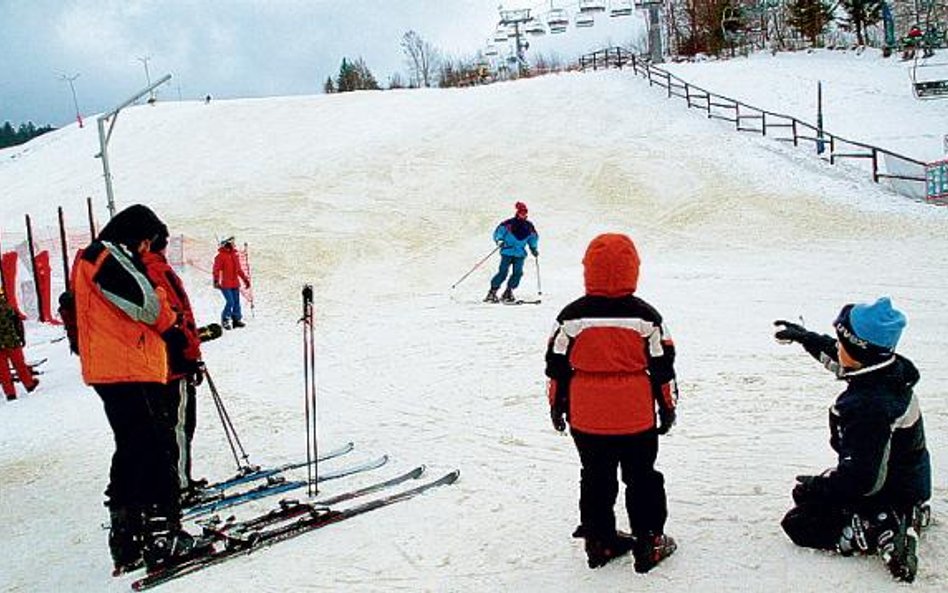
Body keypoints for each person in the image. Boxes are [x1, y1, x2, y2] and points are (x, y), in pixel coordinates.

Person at [71, 204, 196, 574]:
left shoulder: (102, 256)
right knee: (153, 447)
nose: (147, 251)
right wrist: (172, 327)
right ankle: (162, 534)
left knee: (134, 448)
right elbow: (145, 303)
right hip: (126, 368)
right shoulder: (105, 255)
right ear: (138, 237)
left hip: (121, 367)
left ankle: (129, 537)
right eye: (146, 244)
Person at [545, 233, 678, 572]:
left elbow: (555, 365)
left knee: (595, 476)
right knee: (642, 476)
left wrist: (557, 405)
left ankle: (600, 540)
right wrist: (668, 407)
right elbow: (663, 367)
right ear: (633, 268)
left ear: (588, 268)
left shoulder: (571, 317)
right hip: (635, 417)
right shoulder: (647, 317)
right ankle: (649, 540)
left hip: (587, 416)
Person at [774, 297, 931, 583]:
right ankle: (905, 511)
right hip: (907, 478)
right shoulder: (886, 370)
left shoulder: (869, 407)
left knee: (800, 523)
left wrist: (820, 487)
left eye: (842, 341)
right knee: (807, 494)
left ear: (860, 350)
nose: (837, 347)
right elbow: (840, 358)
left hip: (887, 486)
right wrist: (806, 338)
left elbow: (863, 480)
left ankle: (882, 528)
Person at [141, 233, 207, 500]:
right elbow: (177, 318)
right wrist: (191, 355)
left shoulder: (142, 269)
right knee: (179, 424)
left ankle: (173, 482)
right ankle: (178, 486)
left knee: (168, 424)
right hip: (173, 362)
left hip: (159, 361)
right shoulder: (157, 270)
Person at [484, 201, 538, 304]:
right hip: (507, 252)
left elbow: (533, 237)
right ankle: (492, 292)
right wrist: (499, 241)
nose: (523, 214)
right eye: (521, 212)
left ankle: (508, 292)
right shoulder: (508, 224)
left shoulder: (529, 226)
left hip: (520, 254)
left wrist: (533, 248)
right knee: (503, 272)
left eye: (525, 213)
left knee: (518, 273)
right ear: (517, 213)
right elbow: (498, 232)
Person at [0, 287, 38, 400]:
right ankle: (29, 385)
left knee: (3, 370)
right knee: (19, 365)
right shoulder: (6, 307)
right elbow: (17, 323)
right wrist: (21, 338)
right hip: (12, 340)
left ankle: (10, 393)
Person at [212, 237, 250, 329]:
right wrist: (216, 281)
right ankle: (225, 319)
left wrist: (245, 280)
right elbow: (216, 270)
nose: (234, 244)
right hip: (224, 283)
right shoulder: (220, 257)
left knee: (236, 301)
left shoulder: (234, 255)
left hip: (234, 283)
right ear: (227, 243)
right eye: (232, 242)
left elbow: (239, 270)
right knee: (230, 302)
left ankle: (236, 320)